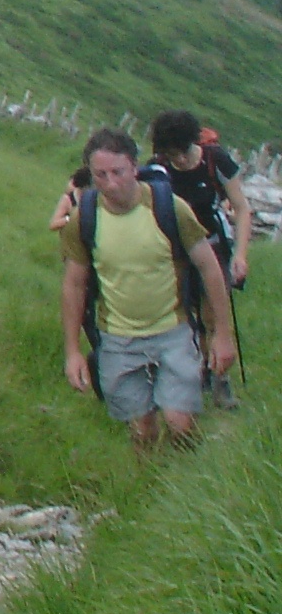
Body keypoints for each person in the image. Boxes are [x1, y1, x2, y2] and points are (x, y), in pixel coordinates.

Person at [59, 127, 238, 451]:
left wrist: (222, 334)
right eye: (100, 175)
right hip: (117, 337)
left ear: (134, 166)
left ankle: (187, 472)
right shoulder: (83, 219)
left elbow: (210, 268)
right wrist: (72, 351)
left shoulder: (170, 209)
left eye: (118, 172)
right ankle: (149, 475)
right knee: (142, 430)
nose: (111, 183)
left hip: (173, 330)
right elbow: (74, 285)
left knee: (180, 423)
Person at [151, 112, 248, 406]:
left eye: (183, 151)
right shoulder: (159, 168)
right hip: (176, 249)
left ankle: (220, 378)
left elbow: (242, 208)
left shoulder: (215, 160)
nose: (180, 159)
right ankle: (198, 369)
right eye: (173, 154)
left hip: (214, 245)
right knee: (183, 315)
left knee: (213, 313)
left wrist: (240, 255)